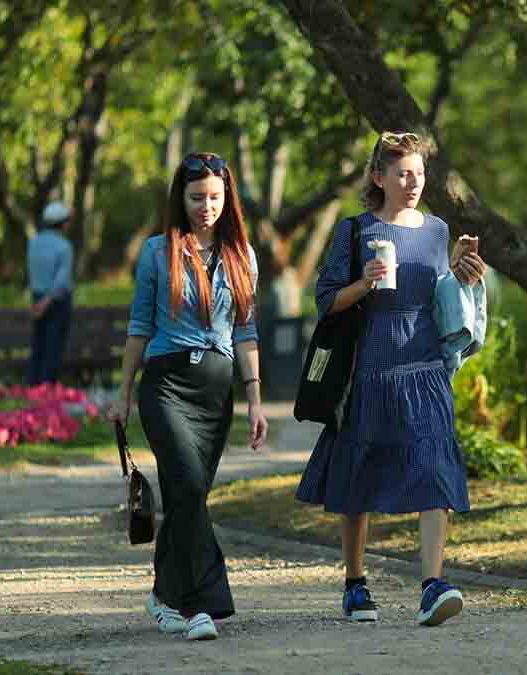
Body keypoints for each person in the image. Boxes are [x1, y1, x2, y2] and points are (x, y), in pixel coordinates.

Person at [296, 131, 488, 627]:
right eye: (402, 173)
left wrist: (462, 274)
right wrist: (367, 281)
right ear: (378, 178)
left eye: (419, 173)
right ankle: (355, 584)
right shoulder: (354, 231)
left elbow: (439, 295)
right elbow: (326, 300)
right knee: (359, 475)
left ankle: (432, 585)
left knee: (434, 470)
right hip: (368, 370)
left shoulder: (437, 230)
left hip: (425, 370)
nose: (412, 182)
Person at [106, 152, 270, 641]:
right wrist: (124, 394)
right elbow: (139, 327)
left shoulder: (244, 255)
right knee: (189, 487)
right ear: (180, 197)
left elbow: (246, 332)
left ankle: (164, 597)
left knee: (185, 498)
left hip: (216, 394)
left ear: (228, 198)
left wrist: (255, 400)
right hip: (168, 387)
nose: (206, 206)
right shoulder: (158, 252)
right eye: (197, 197)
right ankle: (203, 604)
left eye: (215, 197)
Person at [27, 201, 75, 385]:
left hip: (37, 297)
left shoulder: (33, 243)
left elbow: (32, 272)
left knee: (38, 343)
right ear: (63, 223)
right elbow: (61, 281)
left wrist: (38, 302)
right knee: (53, 346)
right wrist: (47, 302)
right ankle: (47, 386)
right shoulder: (64, 246)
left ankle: (33, 383)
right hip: (56, 302)